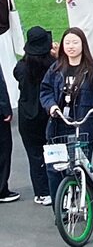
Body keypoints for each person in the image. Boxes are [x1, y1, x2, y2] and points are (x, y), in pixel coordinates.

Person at [41, 28, 93, 203]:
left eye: (75, 42)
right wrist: (51, 106)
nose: (71, 46)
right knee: (55, 169)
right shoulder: (56, 69)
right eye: (67, 43)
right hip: (59, 126)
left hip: (83, 126)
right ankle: (60, 207)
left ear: (83, 45)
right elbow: (45, 90)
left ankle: (89, 200)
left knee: (81, 166)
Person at [15, 25, 53, 204]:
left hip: (27, 117)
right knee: (53, 152)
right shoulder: (53, 66)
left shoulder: (21, 68)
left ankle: (42, 192)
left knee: (35, 155)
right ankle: (54, 187)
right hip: (48, 114)